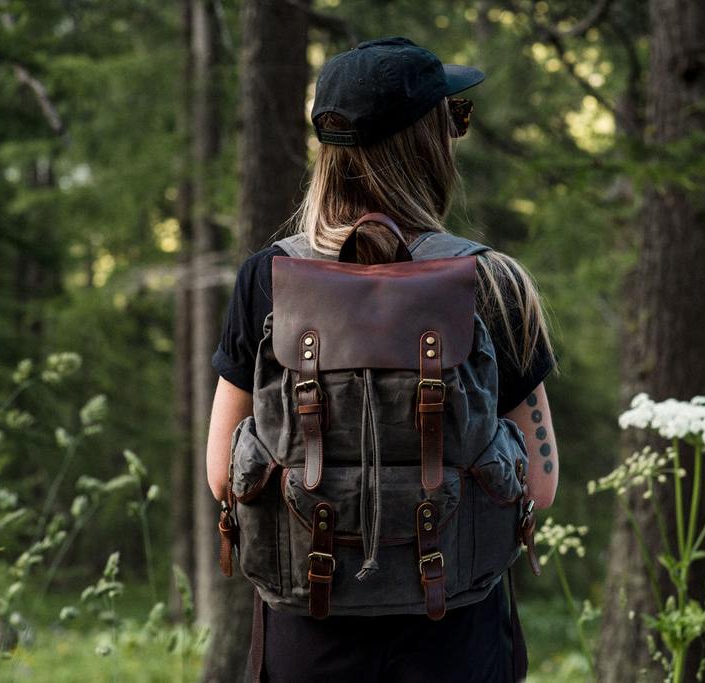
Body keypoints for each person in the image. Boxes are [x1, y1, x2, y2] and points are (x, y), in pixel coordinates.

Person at [206, 36, 559, 683]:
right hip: (457, 635)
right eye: (455, 119)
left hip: (308, 641)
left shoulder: (269, 276)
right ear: (431, 144)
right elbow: (538, 484)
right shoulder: (494, 281)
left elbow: (224, 477)